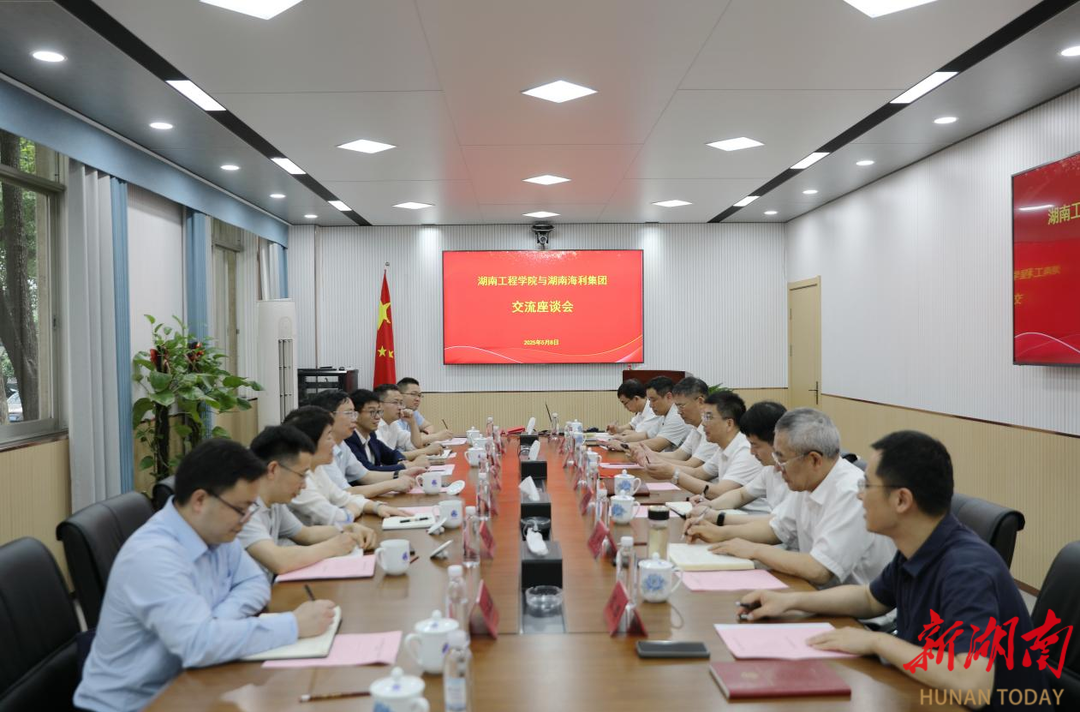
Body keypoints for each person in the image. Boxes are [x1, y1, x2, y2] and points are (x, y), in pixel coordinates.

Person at [737, 431, 1052, 711]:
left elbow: (972, 686)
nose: (859, 494)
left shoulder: (966, 569)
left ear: (902, 500)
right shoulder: (918, 545)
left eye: (867, 485)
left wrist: (877, 643)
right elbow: (870, 599)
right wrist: (790, 601)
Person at [74, 439, 337, 712]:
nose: (247, 518)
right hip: (137, 704)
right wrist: (293, 625)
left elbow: (254, 582)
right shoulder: (153, 555)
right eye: (241, 509)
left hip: (190, 683)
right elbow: (199, 646)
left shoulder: (217, 531)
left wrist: (216, 623)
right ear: (200, 500)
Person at [686, 408, 895, 587]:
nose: (777, 467)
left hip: (854, 614)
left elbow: (819, 569)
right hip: (816, 592)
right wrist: (718, 533)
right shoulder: (809, 482)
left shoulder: (849, 492)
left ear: (814, 460)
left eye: (782, 458)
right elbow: (775, 528)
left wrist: (754, 550)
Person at [240, 425, 378, 580]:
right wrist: (333, 546)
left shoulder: (275, 500)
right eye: (301, 475)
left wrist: (348, 528)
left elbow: (306, 534)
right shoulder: (242, 507)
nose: (304, 485)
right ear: (273, 469)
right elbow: (279, 560)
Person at [282, 406, 410, 526]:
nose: (333, 443)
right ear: (309, 443)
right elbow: (335, 517)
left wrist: (377, 507)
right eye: (328, 437)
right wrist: (351, 511)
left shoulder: (317, 468)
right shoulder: (297, 480)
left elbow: (344, 498)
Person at [686, 400, 790, 524]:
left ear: (777, 440)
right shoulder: (770, 468)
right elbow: (741, 495)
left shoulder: (796, 475)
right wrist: (710, 505)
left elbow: (777, 522)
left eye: (755, 445)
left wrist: (716, 517)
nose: (752, 452)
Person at [666, 391, 767, 514]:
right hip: (729, 512)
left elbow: (720, 492)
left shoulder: (746, 450)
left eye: (708, 417)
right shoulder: (723, 446)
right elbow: (698, 473)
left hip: (750, 518)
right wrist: (665, 467)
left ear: (729, 423)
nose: (703, 423)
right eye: (703, 416)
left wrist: (674, 474)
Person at [306, 389, 414, 499]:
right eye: (349, 413)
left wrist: (405, 473)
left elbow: (366, 476)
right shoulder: (318, 450)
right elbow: (343, 493)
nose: (355, 419)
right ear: (329, 417)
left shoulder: (342, 444)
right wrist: (392, 484)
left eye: (355, 413)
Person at [634, 377, 718, 481]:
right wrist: (648, 455)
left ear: (700, 401)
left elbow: (693, 466)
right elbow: (677, 455)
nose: (678, 412)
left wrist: (654, 460)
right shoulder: (695, 427)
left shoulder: (713, 428)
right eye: (677, 406)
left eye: (681, 406)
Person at [345, 389, 429, 477]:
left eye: (378, 412)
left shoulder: (371, 435)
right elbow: (368, 470)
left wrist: (401, 461)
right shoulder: (349, 439)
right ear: (355, 415)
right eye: (372, 412)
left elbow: (390, 454)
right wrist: (409, 465)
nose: (378, 417)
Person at [613, 376, 690, 451]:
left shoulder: (676, 415)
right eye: (649, 400)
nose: (650, 405)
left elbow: (657, 444)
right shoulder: (664, 415)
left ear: (668, 397)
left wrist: (624, 445)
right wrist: (623, 439)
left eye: (653, 400)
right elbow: (647, 435)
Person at [375, 383, 443, 460]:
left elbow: (416, 445)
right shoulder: (374, 426)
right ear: (379, 405)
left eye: (401, 403)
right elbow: (388, 456)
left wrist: (412, 423)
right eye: (395, 402)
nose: (400, 407)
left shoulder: (393, 424)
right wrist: (426, 451)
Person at [397, 377, 453, 444]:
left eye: (419, 395)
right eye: (413, 394)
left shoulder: (413, 412)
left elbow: (429, 426)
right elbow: (407, 442)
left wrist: (423, 435)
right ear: (399, 395)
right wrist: (437, 436)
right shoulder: (393, 415)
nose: (418, 399)